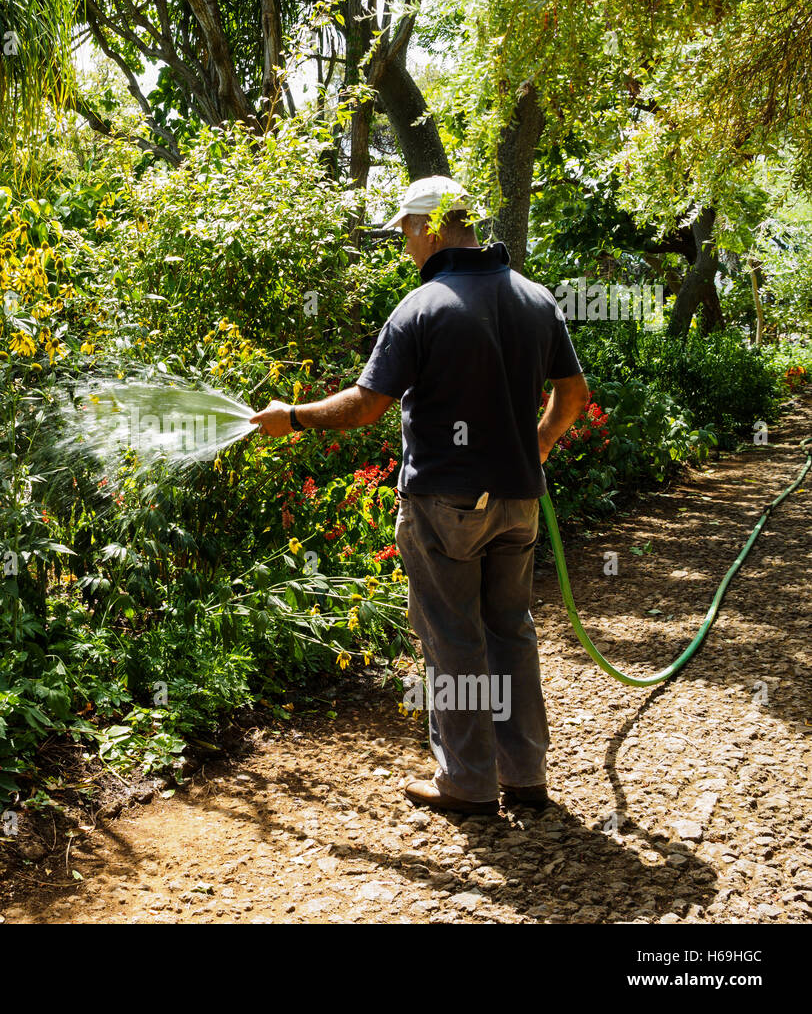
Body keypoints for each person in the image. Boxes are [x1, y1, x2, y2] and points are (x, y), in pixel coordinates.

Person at [249, 175, 589, 815]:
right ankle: (525, 775)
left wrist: (291, 416)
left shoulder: (423, 306)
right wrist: (534, 451)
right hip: (518, 502)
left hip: (444, 506)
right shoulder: (536, 299)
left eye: (405, 230)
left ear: (431, 227)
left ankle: (466, 783)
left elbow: (365, 406)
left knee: (454, 638)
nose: (404, 244)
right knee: (511, 630)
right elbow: (574, 399)